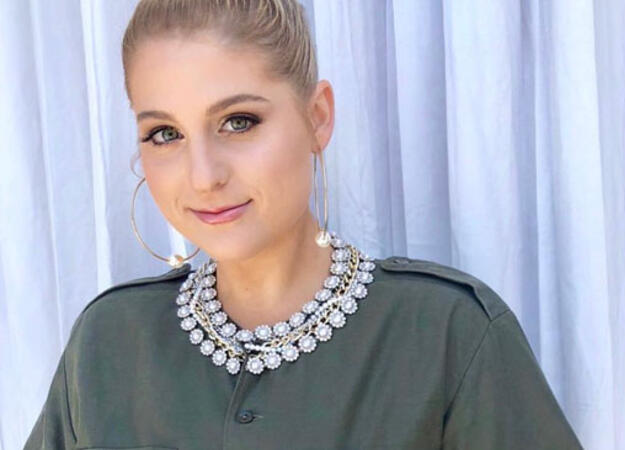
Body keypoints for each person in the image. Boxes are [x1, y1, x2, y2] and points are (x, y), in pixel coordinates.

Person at [25, 0, 582, 448]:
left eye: (238, 122)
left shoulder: (448, 336)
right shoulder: (106, 344)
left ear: (317, 117)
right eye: (165, 134)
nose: (203, 176)